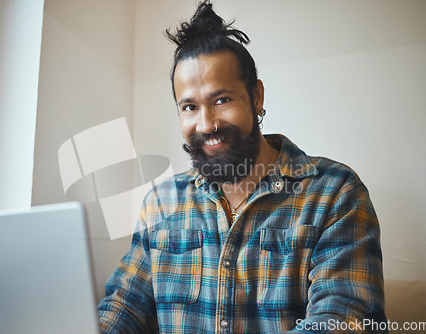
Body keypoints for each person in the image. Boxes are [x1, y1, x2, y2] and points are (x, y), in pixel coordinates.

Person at [98, 1, 386, 333]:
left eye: (221, 100)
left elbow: (345, 318)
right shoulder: (162, 202)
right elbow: (125, 304)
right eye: (190, 106)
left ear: (257, 96)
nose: (206, 124)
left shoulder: (335, 193)